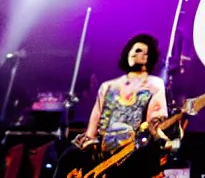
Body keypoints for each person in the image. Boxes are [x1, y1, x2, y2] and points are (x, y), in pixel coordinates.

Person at [54, 34, 173, 178]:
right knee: (68, 157)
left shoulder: (155, 84)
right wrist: (87, 141)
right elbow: (94, 122)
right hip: (103, 151)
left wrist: (156, 132)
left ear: (149, 57)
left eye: (142, 51)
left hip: (133, 150)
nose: (136, 54)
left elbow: (156, 118)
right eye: (134, 50)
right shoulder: (108, 86)